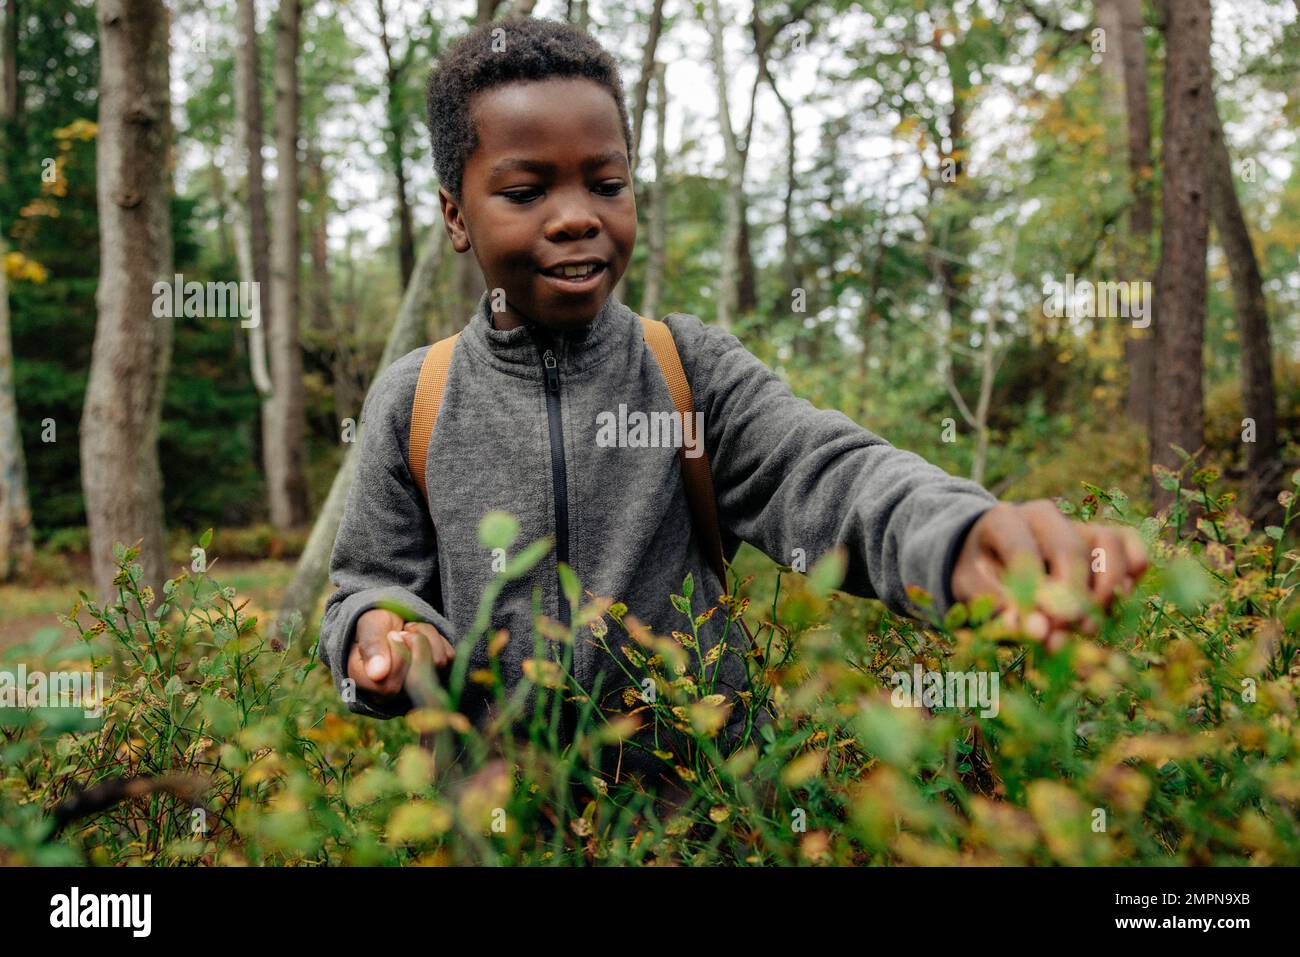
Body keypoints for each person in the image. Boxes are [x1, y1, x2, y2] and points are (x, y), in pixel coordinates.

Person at [317, 16, 1147, 786]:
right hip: (492, 823)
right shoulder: (415, 399)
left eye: (606, 183)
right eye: (527, 192)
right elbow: (368, 582)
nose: (577, 218)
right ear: (456, 216)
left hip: (703, 816)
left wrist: (956, 535)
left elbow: (823, 473)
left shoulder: (688, 370)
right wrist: (382, 635)